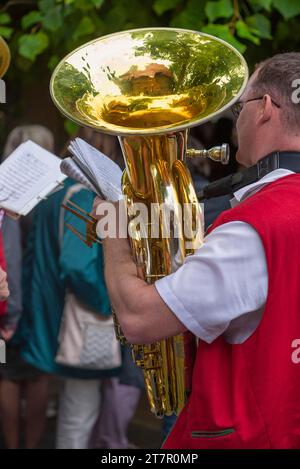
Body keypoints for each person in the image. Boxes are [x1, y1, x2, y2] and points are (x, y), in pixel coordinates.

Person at [92, 52, 300, 449]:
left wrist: (116, 229)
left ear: (266, 110)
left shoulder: (256, 226)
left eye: (241, 107)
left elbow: (139, 319)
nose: (236, 120)